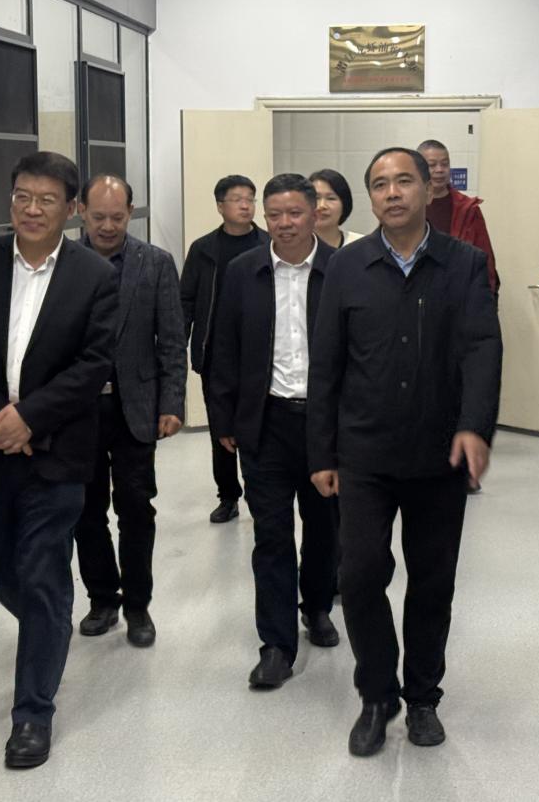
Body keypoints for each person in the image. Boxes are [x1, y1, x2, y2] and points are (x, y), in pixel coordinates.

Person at [308, 147, 502, 757]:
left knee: (432, 582)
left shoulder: (464, 264)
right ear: (370, 197)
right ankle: (376, 695)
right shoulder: (346, 266)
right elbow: (326, 364)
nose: (391, 193)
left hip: (439, 455)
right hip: (364, 452)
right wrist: (321, 453)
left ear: (426, 189)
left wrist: (475, 426)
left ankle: (421, 698)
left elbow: (482, 347)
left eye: (403, 181)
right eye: (379, 184)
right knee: (361, 574)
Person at [0, 151, 117, 770]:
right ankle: (54, 621)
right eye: (22, 197)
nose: (32, 210)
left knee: (39, 573)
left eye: (46, 200)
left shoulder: (94, 275)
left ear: (72, 209)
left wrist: (31, 417)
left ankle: (32, 714)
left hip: (56, 453)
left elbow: (94, 363)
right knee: (4, 569)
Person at [207, 173, 340, 688]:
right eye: (275, 214)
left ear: (314, 214)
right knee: (272, 535)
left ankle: (317, 606)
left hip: (325, 426)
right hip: (265, 422)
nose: (284, 223)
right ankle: (276, 644)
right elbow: (222, 347)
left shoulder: (340, 269)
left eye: (295, 213)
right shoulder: (243, 271)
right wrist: (224, 419)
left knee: (325, 528)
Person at [74, 174, 186, 648]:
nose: (107, 226)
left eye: (117, 217)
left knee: (136, 509)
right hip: (77, 411)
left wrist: (172, 402)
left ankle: (139, 605)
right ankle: (103, 599)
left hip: (135, 407)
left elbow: (172, 339)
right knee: (85, 511)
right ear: (81, 211)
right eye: (98, 217)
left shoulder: (155, 263)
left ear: (131, 213)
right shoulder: (64, 262)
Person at [179, 175, 268, 524]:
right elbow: (186, 300)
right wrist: (180, 346)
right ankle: (228, 495)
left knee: (259, 429)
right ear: (220, 206)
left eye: (250, 199)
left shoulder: (268, 243)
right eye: (237, 199)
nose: (245, 205)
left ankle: (261, 494)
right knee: (221, 429)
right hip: (216, 353)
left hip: (259, 355)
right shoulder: (203, 249)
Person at [418, 140, 500, 297]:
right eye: (432, 165)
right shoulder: (409, 207)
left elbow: (485, 261)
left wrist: (486, 299)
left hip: (460, 296)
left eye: (445, 164)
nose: (440, 170)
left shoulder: (468, 209)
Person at [308, 169, 363, 248]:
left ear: (344, 204)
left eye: (331, 198)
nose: (322, 206)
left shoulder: (361, 245)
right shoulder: (293, 246)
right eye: (316, 198)